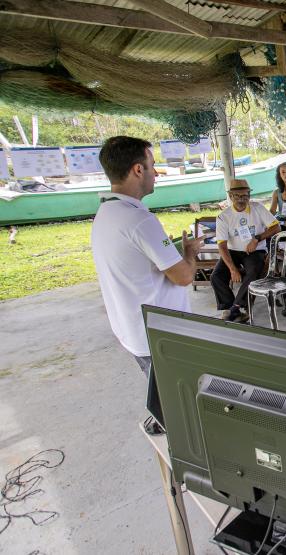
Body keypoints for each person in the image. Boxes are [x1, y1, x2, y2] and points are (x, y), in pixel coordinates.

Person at [91, 136, 203, 435]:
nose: (156, 172)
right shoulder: (141, 221)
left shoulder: (106, 213)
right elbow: (183, 276)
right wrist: (189, 254)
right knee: (180, 407)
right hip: (158, 334)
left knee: (161, 392)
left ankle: (162, 415)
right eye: (152, 166)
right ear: (138, 170)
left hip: (133, 329)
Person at [213, 179, 280, 323]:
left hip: (255, 251)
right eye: (237, 196)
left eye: (245, 195)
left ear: (249, 195)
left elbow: (276, 227)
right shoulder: (223, 217)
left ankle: (235, 309)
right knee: (216, 276)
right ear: (230, 196)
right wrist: (232, 269)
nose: (241, 199)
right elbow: (222, 246)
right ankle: (231, 307)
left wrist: (257, 238)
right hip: (233, 251)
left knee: (254, 271)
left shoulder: (258, 208)